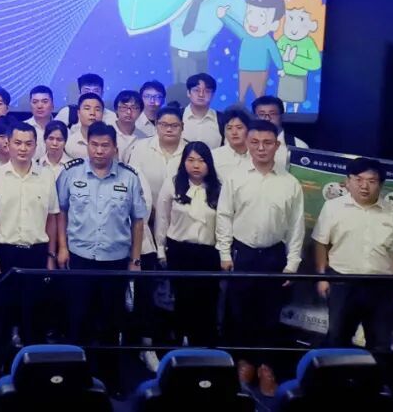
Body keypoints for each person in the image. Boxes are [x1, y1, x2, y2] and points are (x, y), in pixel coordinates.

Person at [216, 119, 305, 397]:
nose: (261, 148)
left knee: (270, 314)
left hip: (274, 255)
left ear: (277, 146)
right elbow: (224, 216)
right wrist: (224, 253)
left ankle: (266, 367)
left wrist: (292, 263)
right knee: (239, 313)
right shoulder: (235, 177)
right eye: (255, 142)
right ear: (247, 143)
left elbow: (296, 226)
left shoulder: (290, 183)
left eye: (267, 143)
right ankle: (244, 363)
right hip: (242, 253)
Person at [56, 122, 145, 394]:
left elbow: (138, 220)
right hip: (80, 258)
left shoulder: (129, 177)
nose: (99, 150)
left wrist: (135, 260)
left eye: (105, 145)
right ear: (87, 146)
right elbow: (61, 211)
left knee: (111, 323)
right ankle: (75, 380)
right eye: (94, 145)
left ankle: (111, 380)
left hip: (115, 261)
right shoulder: (70, 173)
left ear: (115, 148)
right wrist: (62, 247)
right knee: (77, 321)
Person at [314, 157, 393, 349]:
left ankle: (377, 370)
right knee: (337, 337)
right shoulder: (333, 208)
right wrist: (322, 277)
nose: (364, 186)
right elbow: (320, 243)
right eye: (358, 179)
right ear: (348, 181)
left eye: (371, 181)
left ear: (380, 184)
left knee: (381, 343)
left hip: (382, 287)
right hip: (342, 283)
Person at [0, 124, 59, 362]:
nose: (23, 148)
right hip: (4, 253)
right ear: (8, 144)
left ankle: (33, 368)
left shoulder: (46, 177)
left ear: (36, 146)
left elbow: (52, 218)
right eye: (17, 143)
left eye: (28, 143)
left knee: (34, 315)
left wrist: (51, 256)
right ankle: (0, 368)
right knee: (2, 315)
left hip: (36, 254)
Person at [154, 141, 221, 346]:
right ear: (183, 162)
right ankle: (176, 346)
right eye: (190, 160)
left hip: (209, 254)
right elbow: (162, 219)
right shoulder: (173, 183)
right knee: (180, 301)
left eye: (201, 160)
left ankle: (201, 348)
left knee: (205, 304)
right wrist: (160, 249)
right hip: (179, 251)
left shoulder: (219, 188)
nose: (195, 165)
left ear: (209, 163)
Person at [126, 104, 186, 206]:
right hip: (146, 208)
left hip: (180, 210)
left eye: (175, 125)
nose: (169, 129)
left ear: (182, 127)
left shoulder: (189, 150)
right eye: (164, 125)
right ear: (156, 125)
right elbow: (132, 180)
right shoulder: (141, 147)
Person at [252, 95, 308, 171]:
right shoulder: (245, 145)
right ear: (255, 117)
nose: (267, 118)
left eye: (272, 114)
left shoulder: (299, 146)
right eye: (262, 114)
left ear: (282, 116)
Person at [182, 73, 221, 147]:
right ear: (188, 93)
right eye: (197, 90)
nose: (201, 95)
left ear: (213, 95)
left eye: (207, 91)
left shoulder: (222, 120)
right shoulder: (177, 116)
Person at [212, 108, 252, 176]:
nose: (234, 132)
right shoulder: (214, 156)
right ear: (224, 132)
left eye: (239, 128)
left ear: (248, 130)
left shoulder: (257, 154)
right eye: (229, 128)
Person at [111, 90, 149, 161]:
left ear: (140, 112)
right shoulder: (106, 133)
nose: (128, 112)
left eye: (134, 108)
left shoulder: (144, 138)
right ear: (116, 109)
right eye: (124, 107)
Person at [63, 93, 104, 159]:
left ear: (102, 114)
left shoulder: (112, 141)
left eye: (97, 109)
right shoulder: (70, 143)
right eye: (87, 108)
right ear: (78, 113)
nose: (92, 113)